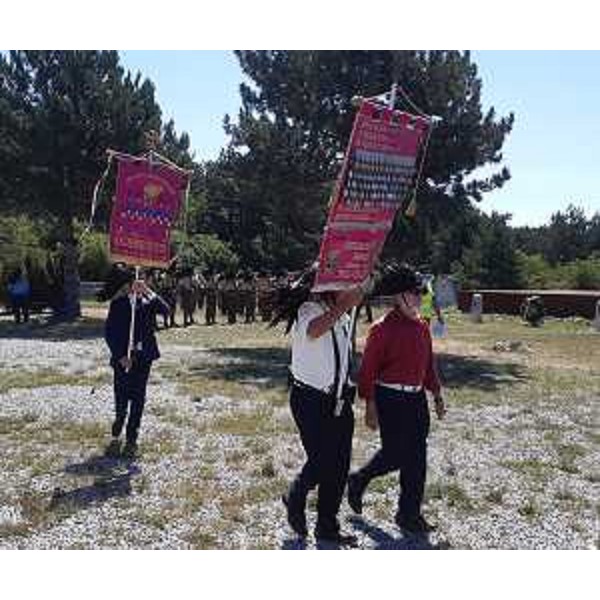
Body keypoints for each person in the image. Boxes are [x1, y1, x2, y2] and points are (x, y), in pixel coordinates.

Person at [347, 263, 446, 535]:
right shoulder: (381, 329)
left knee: (417, 458)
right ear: (399, 296)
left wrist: (437, 394)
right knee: (395, 454)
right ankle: (359, 479)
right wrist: (369, 404)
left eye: (421, 292)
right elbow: (368, 370)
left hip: (416, 400)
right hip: (389, 397)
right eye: (415, 293)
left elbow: (428, 366)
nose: (420, 297)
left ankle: (409, 514)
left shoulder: (422, 327)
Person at [271, 265, 364, 546]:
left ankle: (327, 526)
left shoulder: (342, 316)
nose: (346, 288)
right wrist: (344, 305)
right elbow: (314, 331)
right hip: (311, 399)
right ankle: (295, 494)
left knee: (339, 465)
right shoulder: (309, 310)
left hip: (339, 399)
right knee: (322, 460)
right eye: (341, 283)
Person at [98, 265, 169, 459]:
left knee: (138, 398)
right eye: (138, 281)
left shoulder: (147, 302)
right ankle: (119, 419)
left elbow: (166, 310)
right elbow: (110, 333)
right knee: (122, 395)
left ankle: (132, 437)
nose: (140, 283)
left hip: (143, 358)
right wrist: (120, 356)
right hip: (124, 360)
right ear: (129, 285)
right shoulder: (119, 304)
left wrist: (148, 291)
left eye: (143, 281)